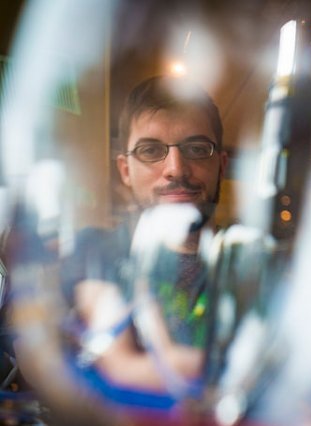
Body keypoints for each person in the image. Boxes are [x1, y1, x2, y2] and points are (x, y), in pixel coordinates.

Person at [58, 74, 229, 397]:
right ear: (125, 170)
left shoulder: (248, 263)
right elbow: (120, 366)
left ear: (221, 165)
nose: (176, 168)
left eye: (196, 148)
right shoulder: (97, 251)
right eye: (151, 150)